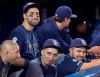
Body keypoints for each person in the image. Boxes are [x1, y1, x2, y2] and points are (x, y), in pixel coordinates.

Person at [7, 2, 40, 77]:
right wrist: (33, 64)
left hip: (32, 71)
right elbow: (13, 59)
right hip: (17, 72)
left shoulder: (34, 34)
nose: (35, 16)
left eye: (37, 13)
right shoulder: (17, 34)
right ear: (24, 16)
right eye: (31, 14)